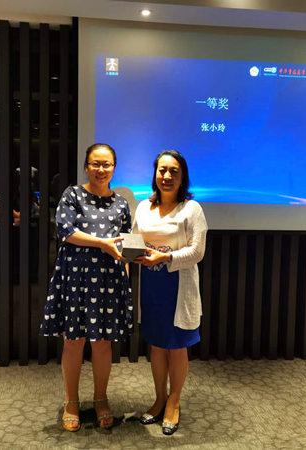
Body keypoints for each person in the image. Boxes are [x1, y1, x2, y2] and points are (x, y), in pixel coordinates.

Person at [39, 143, 133, 432]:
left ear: (114, 168)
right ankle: (71, 401)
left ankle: (101, 399)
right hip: (76, 279)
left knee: (103, 343)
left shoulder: (122, 203)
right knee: (73, 341)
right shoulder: (72, 194)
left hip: (109, 281)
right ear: (86, 166)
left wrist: (125, 280)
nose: (101, 169)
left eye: (106, 164)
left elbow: (126, 244)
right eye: (95, 163)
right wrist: (102, 243)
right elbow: (66, 232)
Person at [133, 150, 208, 436]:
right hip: (151, 286)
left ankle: (174, 402)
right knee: (156, 345)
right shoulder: (143, 207)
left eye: (174, 171)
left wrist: (165, 257)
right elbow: (134, 240)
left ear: (182, 176)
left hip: (178, 287)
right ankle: (159, 399)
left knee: (177, 347)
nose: (167, 176)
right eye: (162, 170)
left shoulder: (192, 209)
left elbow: (197, 252)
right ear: (155, 174)